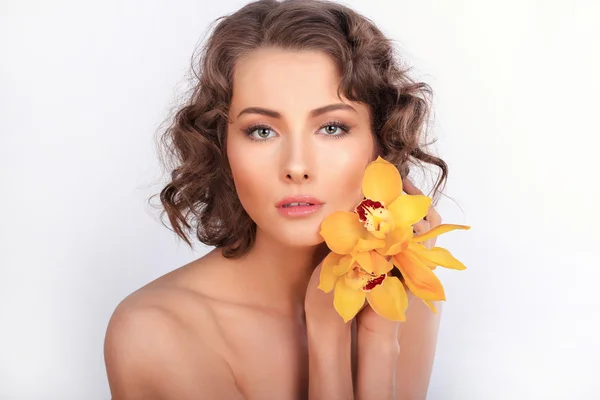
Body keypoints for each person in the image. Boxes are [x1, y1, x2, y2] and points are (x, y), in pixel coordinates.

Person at [104, 0, 450, 398]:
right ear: (222, 145)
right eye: (262, 131)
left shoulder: (404, 296)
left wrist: (377, 338)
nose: (297, 166)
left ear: (379, 142)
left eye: (333, 127)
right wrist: (327, 341)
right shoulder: (156, 331)